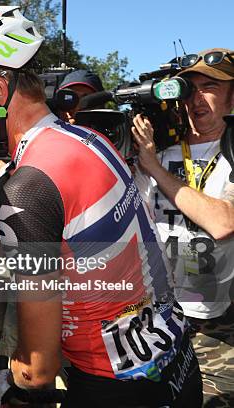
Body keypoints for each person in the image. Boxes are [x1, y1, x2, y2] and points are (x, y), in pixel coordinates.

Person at [0, 6, 202, 407]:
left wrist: (6, 385)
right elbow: (31, 248)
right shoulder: (83, 139)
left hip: (112, 385)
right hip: (174, 361)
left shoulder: (30, 185)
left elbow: (36, 370)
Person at [132, 47, 234, 406]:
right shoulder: (158, 150)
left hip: (219, 323)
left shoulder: (231, 151)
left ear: (231, 96)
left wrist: (156, 172)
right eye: (189, 88)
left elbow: (223, 222)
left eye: (210, 86)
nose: (196, 98)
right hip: (161, 312)